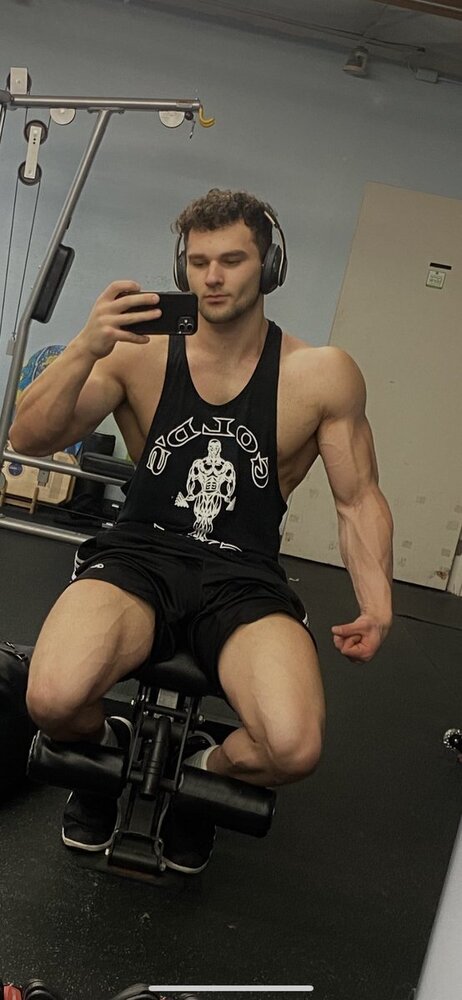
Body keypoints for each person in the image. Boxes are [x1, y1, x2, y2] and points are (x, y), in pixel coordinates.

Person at [9, 189, 394, 874]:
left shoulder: (319, 375)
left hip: (244, 577)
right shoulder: (137, 354)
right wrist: (84, 347)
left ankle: (202, 772)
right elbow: (28, 437)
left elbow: (358, 498)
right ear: (181, 266)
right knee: (52, 698)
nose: (211, 277)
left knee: (293, 748)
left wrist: (377, 603)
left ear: (268, 266)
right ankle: (102, 758)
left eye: (232, 260)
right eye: (198, 261)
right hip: (136, 558)